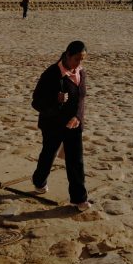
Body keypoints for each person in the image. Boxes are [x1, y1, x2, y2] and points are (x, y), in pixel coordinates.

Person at [31, 41, 90, 211]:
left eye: (82, 59)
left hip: (74, 125)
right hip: (53, 124)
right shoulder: (51, 74)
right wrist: (55, 101)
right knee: (49, 155)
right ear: (68, 55)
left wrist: (78, 117)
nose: (79, 63)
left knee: (76, 161)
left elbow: (81, 98)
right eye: (77, 59)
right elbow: (36, 102)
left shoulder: (80, 72)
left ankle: (79, 199)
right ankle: (39, 181)